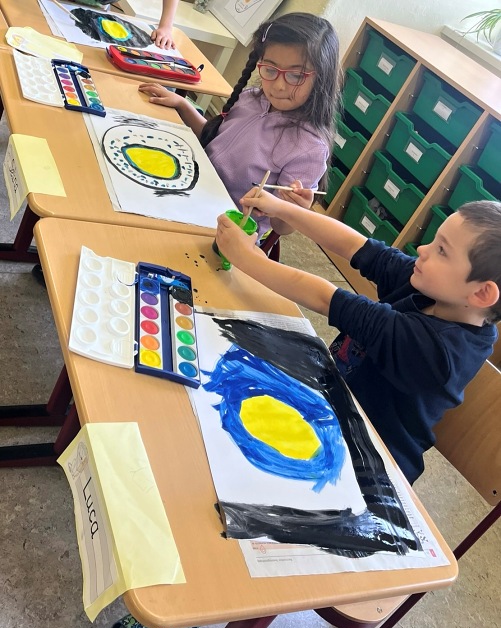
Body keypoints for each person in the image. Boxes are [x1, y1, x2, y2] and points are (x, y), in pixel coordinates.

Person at [216, 194, 501, 485]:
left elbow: (327, 299)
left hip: (366, 463)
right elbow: (356, 245)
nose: (422, 250)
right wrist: (281, 208)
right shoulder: (434, 287)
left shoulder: (437, 352)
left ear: (481, 293)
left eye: (442, 250)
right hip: (327, 404)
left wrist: (248, 259)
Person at [139, 12, 342, 239]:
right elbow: (213, 139)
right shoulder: (251, 98)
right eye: (270, 70)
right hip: (186, 189)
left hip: (223, 230)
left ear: (321, 78)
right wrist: (183, 105)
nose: (279, 86)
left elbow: (281, 227)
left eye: (296, 76)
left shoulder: (309, 148)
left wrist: (293, 210)